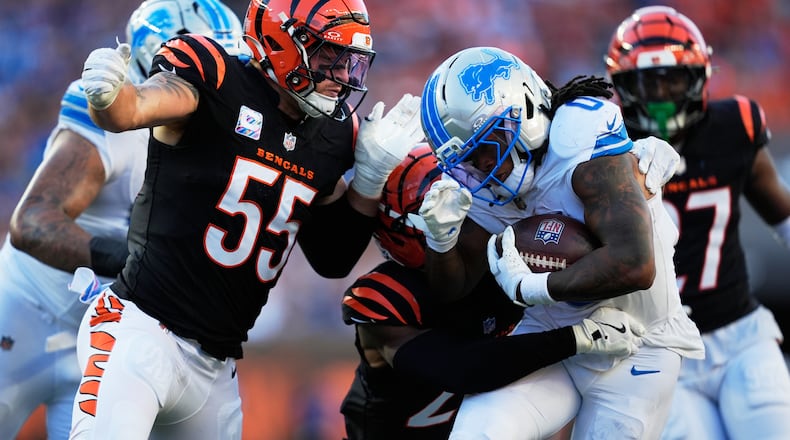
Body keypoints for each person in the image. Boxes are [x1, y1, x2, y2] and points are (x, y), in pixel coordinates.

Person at [70, 0, 425, 437]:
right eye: (330, 56)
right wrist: (107, 96)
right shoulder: (216, 76)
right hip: (139, 328)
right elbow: (131, 110)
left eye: (350, 61)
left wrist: (368, 182)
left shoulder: (333, 133)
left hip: (216, 367)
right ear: (282, 42)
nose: (342, 76)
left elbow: (332, 258)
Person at [417, 46, 704, 439]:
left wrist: (532, 288)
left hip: (639, 343)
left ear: (525, 108)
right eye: (468, 158)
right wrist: (440, 240)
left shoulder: (578, 136)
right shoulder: (480, 185)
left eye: (486, 144)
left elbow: (635, 263)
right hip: (553, 339)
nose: (482, 165)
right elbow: (453, 287)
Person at [0, 1, 242, 439]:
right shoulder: (117, 115)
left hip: (105, 334)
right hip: (29, 313)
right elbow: (33, 222)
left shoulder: (233, 131)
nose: (223, 83)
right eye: (210, 67)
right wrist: (140, 260)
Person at [340, 144, 646, 440]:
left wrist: (633, 171)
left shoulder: (504, 260)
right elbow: (462, 369)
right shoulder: (385, 296)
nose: (475, 217)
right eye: (453, 213)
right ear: (406, 228)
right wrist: (577, 338)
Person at [605, 6, 790, 439]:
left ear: (700, 76)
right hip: (659, 349)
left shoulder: (733, 128)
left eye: (672, 79)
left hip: (740, 335)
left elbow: (783, 216)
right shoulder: (607, 150)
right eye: (646, 82)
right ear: (622, 86)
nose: (660, 94)